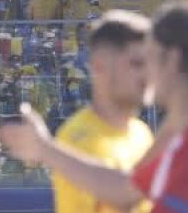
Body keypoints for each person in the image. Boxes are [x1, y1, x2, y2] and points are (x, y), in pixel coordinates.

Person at [0, 0, 188, 212]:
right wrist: (46, 149)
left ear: (172, 59)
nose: (145, 74)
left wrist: (46, 150)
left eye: (147, 59)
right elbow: (125, 192)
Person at [52, 11, 153, 213]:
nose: (148, 74)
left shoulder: (141, 133)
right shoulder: (78, 142)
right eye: (136, 63)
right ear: (99, 66)